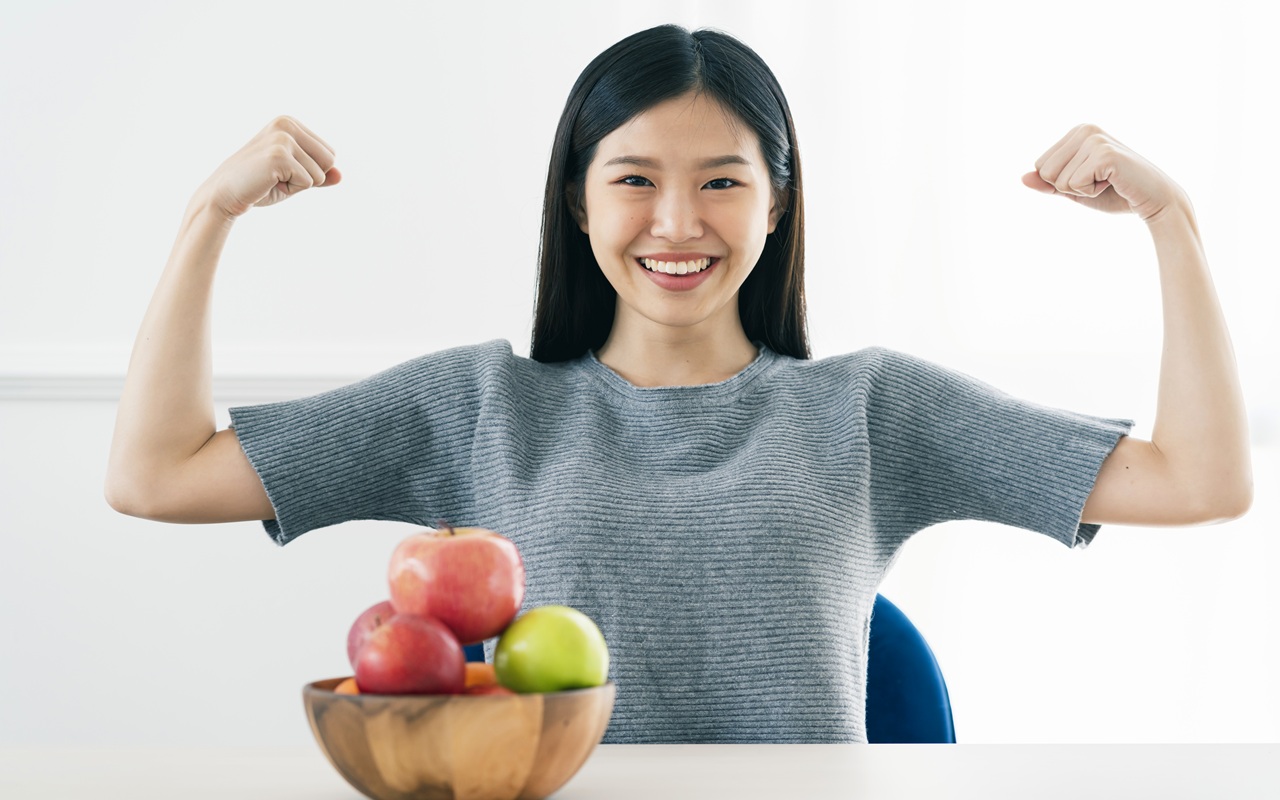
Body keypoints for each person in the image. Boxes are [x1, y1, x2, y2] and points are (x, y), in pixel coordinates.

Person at [105, 24, 1252, 744]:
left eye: (719, 181)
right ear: (576, 200)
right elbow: (155, 475)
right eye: (634, 179)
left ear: (775, 203)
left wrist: (1173, 224)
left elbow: (1199, 480)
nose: (675, 222)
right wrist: (207, 217)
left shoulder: (870, 409)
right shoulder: (475, 405)